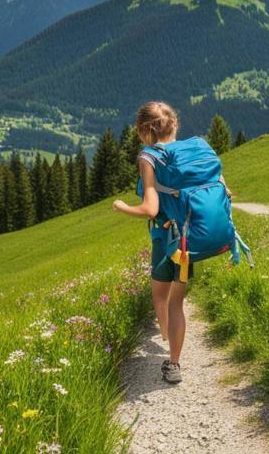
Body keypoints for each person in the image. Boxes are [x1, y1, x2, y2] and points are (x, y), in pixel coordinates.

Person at [111, 101, 188, 384]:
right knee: (177, 301)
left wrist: (122, 207)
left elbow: (150, 210)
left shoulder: (149, 157)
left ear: (145, 130)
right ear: (174, 124)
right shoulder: (193, 150)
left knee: (160, 296)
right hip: (189, 237)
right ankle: (175, 357)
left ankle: (168, 342)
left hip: (164, 239)